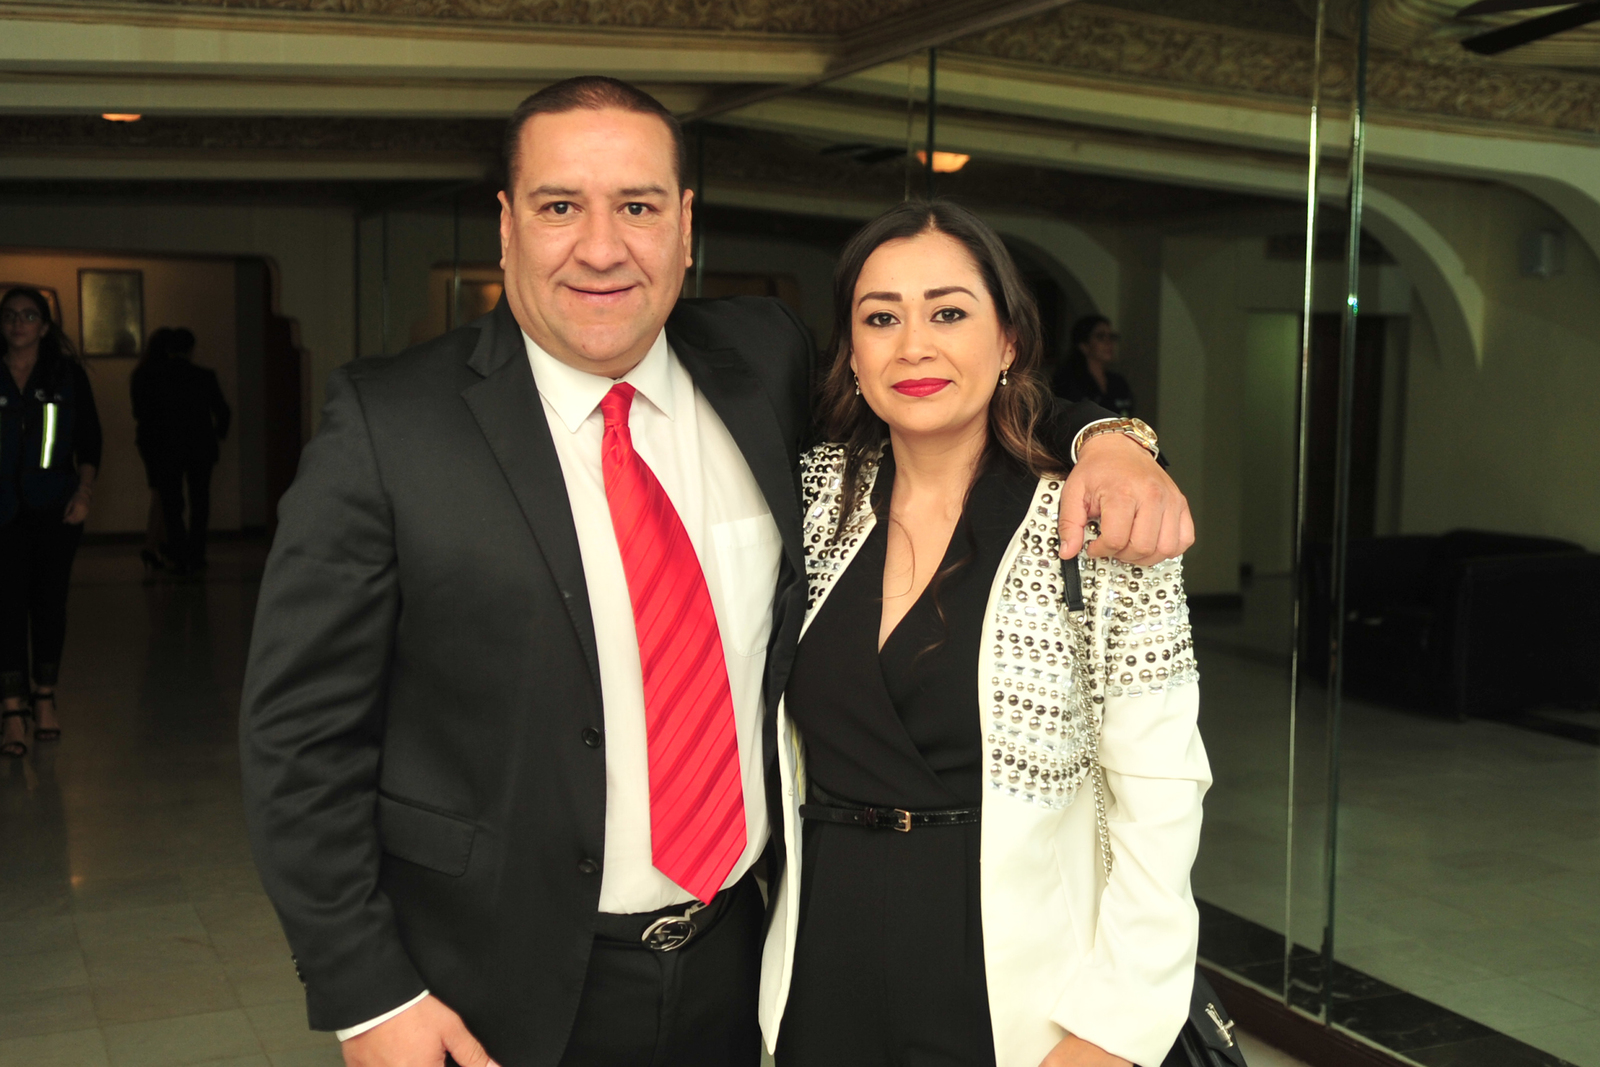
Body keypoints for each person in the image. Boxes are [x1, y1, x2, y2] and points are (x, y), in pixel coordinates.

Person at [240, 77, 1193, 1067]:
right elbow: (298, 736)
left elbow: (933, 391)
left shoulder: (759, 361)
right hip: (497, 986)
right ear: (507, 225)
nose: (601, 247)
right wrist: (371, 994)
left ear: (685, 226)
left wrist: (1107, 438)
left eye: (638, 206)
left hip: (742, 966)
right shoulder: (390, 424)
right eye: (560, 205)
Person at [761, 201, 1209, 1067]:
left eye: (948, 313)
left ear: (1008, 341)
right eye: (880, 318)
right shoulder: (807, 497)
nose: (913, 346)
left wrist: (1113, 1028)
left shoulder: (1099, 525)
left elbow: (1162, 796)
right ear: (850, 352)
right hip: (823, 960)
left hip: (1012, 985)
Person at [1, 287, 101, 758]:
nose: (18, 322)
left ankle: (44, 698)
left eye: (28, 315)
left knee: (48, 605)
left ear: (44, 326)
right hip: (3, 511)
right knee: (6, 607)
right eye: (10, 315)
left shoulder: (66, 376)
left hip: (55, 508)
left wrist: (84, 492)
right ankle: (12, 710)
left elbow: (90, 440)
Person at [131, 325, 231, 573]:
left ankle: (178, 553)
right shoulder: (204, 376)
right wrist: (217, 435)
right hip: (200, 446)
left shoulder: (155, 377)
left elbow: (145, 414)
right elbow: (223, 411)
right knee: (200, 502)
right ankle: (196, 553)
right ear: (191, 349)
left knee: (173, 503)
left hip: (168, 447)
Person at [1054, 314, 1135, 417]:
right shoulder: (1068, 382)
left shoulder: (1118, 382)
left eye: (1111, 337)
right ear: (1084, 345)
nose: (1108, 343)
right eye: (1100, 337)